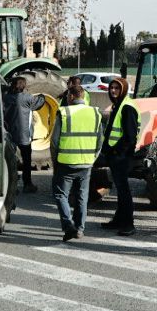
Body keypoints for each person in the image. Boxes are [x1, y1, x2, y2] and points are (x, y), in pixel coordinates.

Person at [50, 80, 103, 241]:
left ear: (72, 96)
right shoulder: (95, 113)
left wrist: (55, 162)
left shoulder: (64, 113)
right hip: (86, 163)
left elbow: (54, 142)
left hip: (66, 162)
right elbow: (100, 140)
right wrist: (93, 158)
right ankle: (79, 229)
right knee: (82, 197)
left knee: (60, 195)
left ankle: (69, 226)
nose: (66, 98)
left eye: (67, 96)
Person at [99, 77, 139, 236]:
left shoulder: (127, 107)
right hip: (116, 156)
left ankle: (128, 224)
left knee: (124, 191)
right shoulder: (119, 105)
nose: (113, 91)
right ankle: (119, 220)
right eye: (111, 88)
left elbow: (130, 137)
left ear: (123, 89)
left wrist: (116, 152)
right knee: (120, 189)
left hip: (121, 157)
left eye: (116, 88)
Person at [4, 75, 43, 194]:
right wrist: (42, 96)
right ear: (24, 86)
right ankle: (27, 184)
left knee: (10, 161)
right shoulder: (27, 97)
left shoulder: (5, 97)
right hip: (24, 135)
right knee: (26, 161)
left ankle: (11, 186)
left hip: (9, 134)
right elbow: (38, 103)